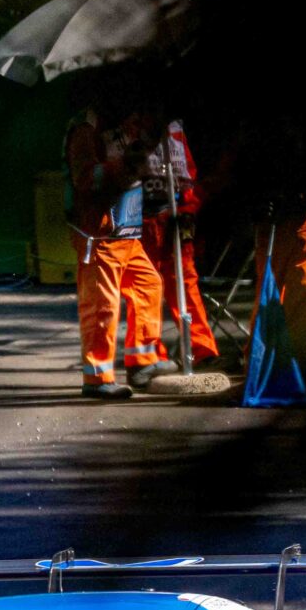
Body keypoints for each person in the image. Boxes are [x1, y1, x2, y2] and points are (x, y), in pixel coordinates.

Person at [63, 101, 165, 399]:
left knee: (149, 285)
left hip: (125, 231)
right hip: (100, 232)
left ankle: (142, 362)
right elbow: (86, 178)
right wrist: (129, 162)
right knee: (102, 307)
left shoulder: (115, 126)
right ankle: (97, 379)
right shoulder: (84, 129)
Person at [138, 117, 222, 368]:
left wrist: (189, 209)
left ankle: (202, 350)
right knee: (146, 288)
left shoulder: (174, 130)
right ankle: (151, 354)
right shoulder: (123, 130)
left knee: (186, 282)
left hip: (176, 215)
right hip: (141, 218)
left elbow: (188, 174)